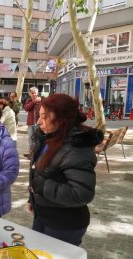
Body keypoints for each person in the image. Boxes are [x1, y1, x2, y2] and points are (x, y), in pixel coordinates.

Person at [27, 94, 103, 246]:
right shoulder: (48, 138)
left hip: (64, 223)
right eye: (39, 116)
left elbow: (81, 193)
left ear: (62, 119)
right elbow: (41, 172)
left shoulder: (76, 149)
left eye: (44, 117)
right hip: (43, 213)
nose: (39, 122)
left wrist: (42, 187)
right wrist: (33, 198)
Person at [24, 87, 41, 159]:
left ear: (37, 93)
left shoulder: (41, 100)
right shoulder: (29, 100)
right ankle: (31, 154)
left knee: (37, 139)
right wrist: (33, 102)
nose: (34, 94)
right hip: (30, 123)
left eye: (35, 93)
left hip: (38, 123)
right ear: (30, 94)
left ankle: (36, 154)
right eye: (32, 93)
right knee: (30, 139)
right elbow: (26, 108)